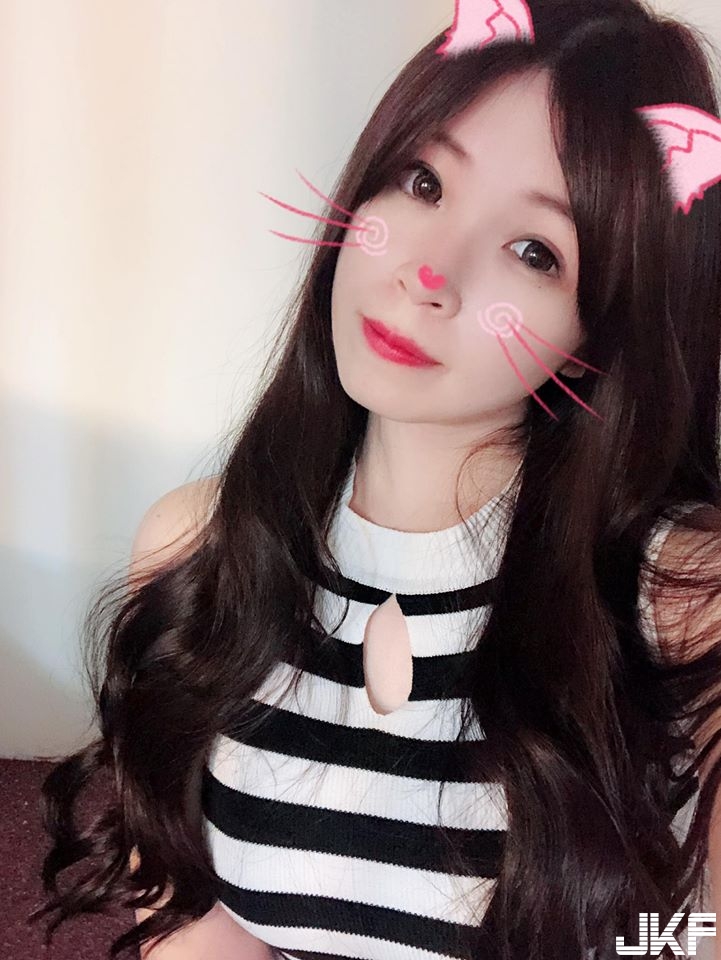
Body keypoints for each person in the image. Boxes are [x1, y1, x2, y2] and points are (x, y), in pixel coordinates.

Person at [28, 1, 721, 958]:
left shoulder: (685, 601)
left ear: (601, 331)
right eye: (422, 181)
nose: (427, 273)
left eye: (534, 250)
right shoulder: (198, 552)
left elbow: (694, 934)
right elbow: (195, 923)